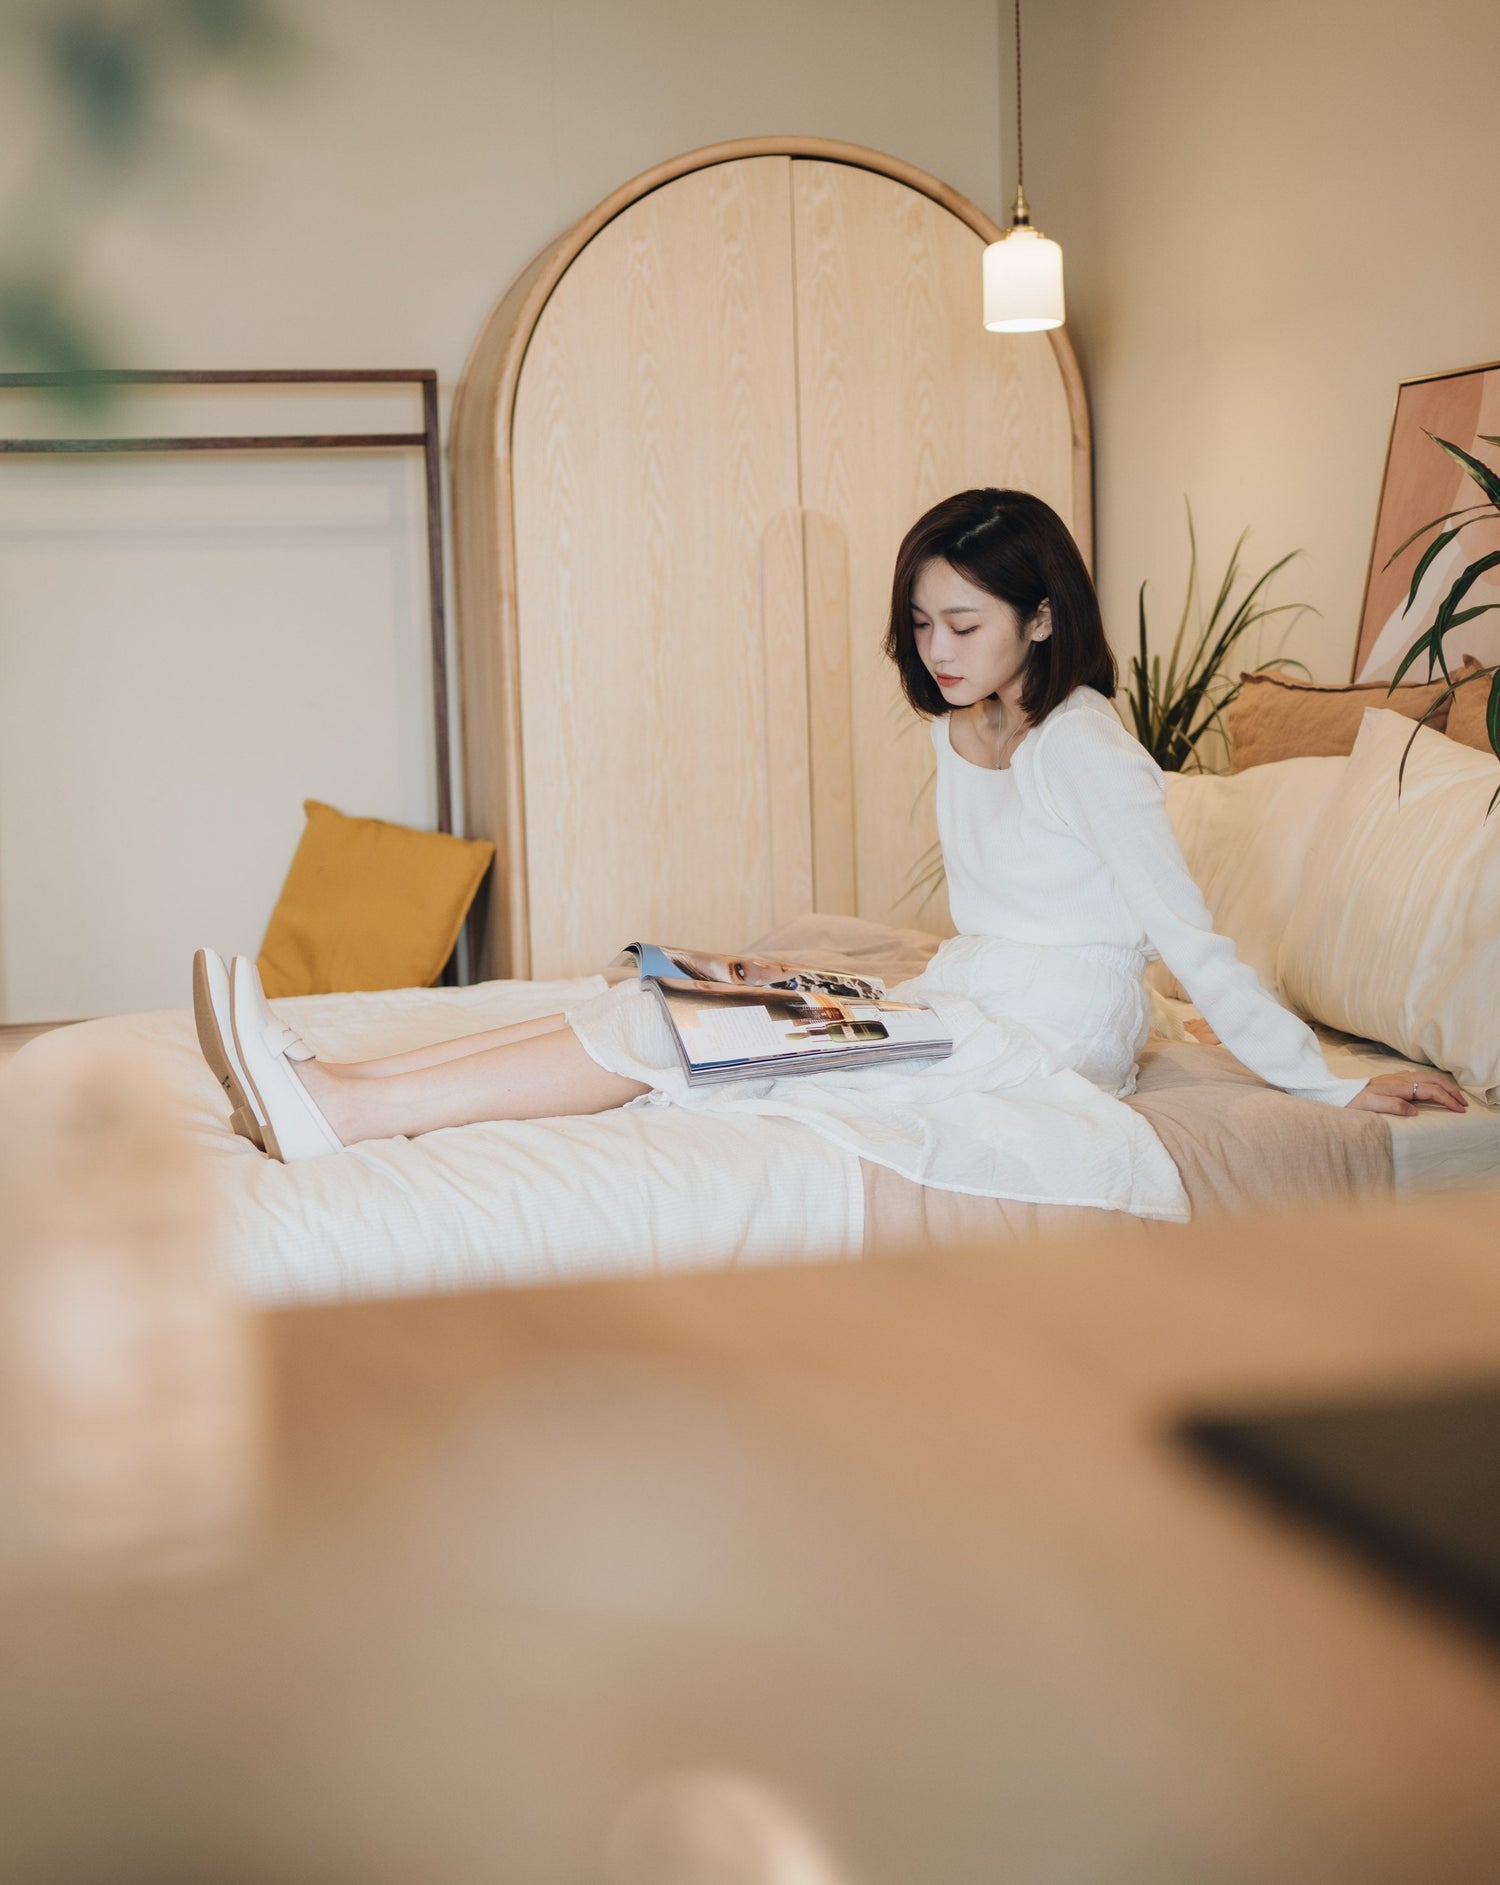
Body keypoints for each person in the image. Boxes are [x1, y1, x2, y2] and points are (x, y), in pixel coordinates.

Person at [194, 489, 1466, 1218]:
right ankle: (341, 1075)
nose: (936, 648)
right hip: (967, 994)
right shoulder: (964, 724)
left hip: (1042, 1033)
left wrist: (1326, 1084)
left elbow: (1189, 937)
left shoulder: (1088, 747)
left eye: (964, 621)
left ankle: (342, 1113)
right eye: (920, 623)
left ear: (1040, 613)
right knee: (663, 999)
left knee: (676, 1038)